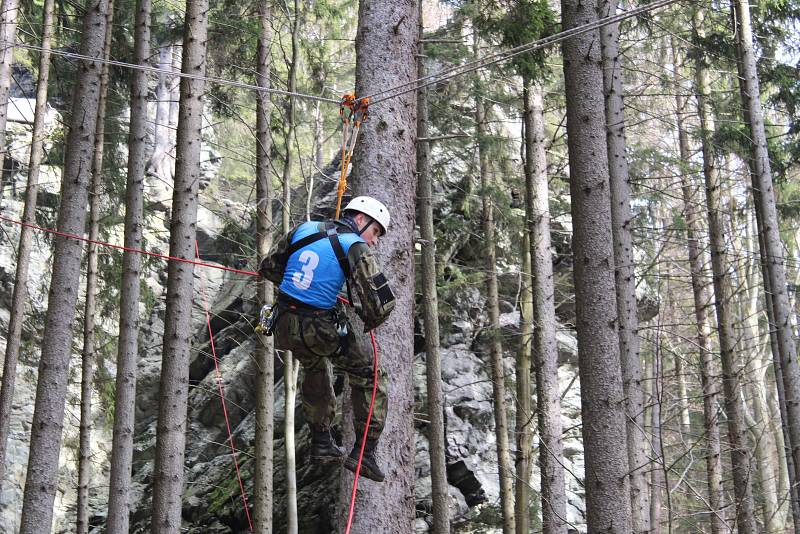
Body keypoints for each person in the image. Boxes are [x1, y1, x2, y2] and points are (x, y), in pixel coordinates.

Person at [258, 196, 395, 482]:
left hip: (284, 324)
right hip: (320, 327)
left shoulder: (304, 229)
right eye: (375, 232)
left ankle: (322, 442)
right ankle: (365, 453)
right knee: (370, 376)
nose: (374, 241)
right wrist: (366, 317)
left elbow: (269, 267)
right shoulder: (353, 245)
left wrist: (307, 288)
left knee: (315, 366)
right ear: (360, 219)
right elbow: (380, 304)